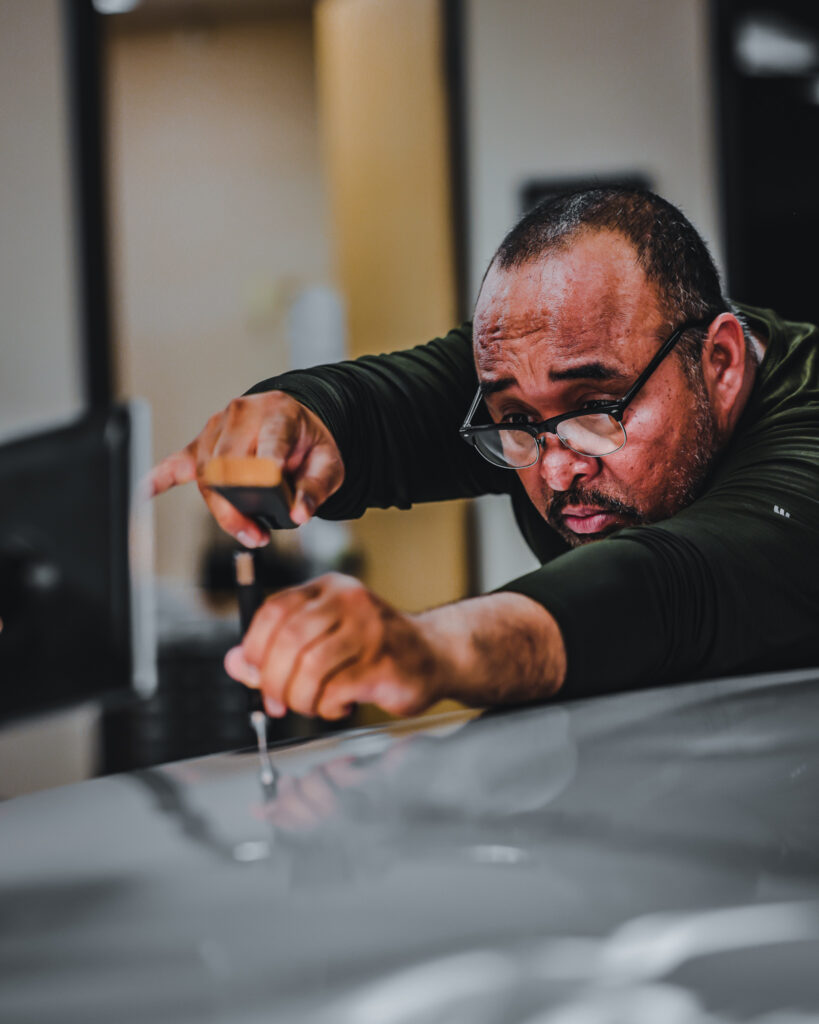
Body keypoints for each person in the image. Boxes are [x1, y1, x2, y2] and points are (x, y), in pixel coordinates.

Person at [149, 187, 819, 720]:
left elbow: (668, 590)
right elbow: (384, 408)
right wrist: (290, 419)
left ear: (722, 365)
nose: (555, 467)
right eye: (517, 420)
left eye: (596, 409)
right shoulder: (537, 379)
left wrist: (432, 646)